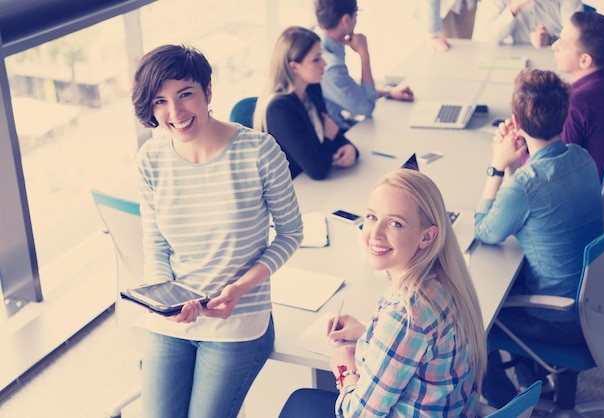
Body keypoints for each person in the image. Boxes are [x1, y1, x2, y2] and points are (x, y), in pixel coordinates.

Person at [131, 44, 303, 418]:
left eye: (185, 95)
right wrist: (165, 299)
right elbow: (155, 243)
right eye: (160, 101)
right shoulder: (151, 159)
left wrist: (239, 288)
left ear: (208, 91)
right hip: (173, 319)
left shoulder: (260, 152)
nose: (174, 113)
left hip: (238, 318)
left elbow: (290, 234)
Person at [279, 169, 487, 417]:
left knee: (299, 403)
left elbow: (357, 414)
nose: (374, 234)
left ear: (427, 236)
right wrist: (367, 332)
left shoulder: (406, 314)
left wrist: (345, 368)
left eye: (395, 223)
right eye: (371, 217)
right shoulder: (441, 279)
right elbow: (418, 343)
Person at [475, 68, 603, 408]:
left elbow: (486, 232)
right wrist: (516, 163)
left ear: (515, 120)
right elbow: (532, 201)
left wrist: (497, 166)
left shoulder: (523, 186)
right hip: (596, 306)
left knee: (478, 318)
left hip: (559, 319)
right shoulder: (582, 157)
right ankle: (541, 386)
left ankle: (512, 405)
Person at [254, 26, 359, 180]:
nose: (324, 64)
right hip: (296, 189)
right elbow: (317, 170)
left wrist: (350, 148)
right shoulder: (279, 109)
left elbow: (329, 127)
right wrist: (330, 138)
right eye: (316, 59)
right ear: (294, 67)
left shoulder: (312, 89)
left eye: (321, 56)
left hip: (318, 186)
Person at [313, 0, 414, 131]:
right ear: (345, 20)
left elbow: (349, 90)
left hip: (342, 122)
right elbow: (367, 108)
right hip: (337, 135)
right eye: (356, 14)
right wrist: (363, 53)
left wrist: (388, 92)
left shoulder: (319, 39)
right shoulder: (330, 65)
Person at [552, 10, 604, 180]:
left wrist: (522, 151)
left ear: (585, 60)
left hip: (588, 200)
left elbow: (557, 174)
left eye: (562, 44)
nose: (554, 46)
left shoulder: (574, 105)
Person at [481, 0, 583, 48]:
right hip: (512, 60)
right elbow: (490, 38)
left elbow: (577, 41)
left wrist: (550, 40)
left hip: (554, 59)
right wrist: (515, 6)